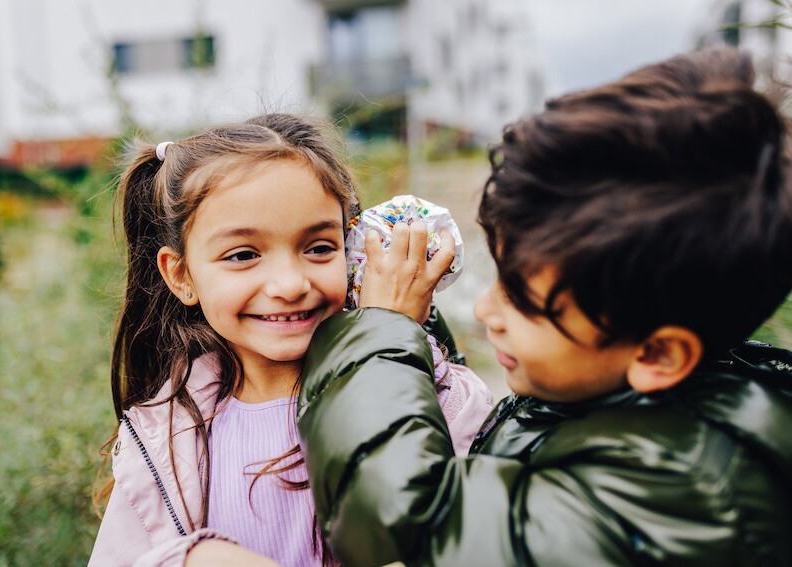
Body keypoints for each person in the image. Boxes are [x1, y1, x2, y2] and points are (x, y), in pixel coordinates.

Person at [296, 47, 792, 566]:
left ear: (659, 355)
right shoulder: (620, 393)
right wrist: (409, 324)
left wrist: (383, 329)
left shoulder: (690, 494)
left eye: (521, 299)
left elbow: (402, 528)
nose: (486, 311)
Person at [88, 113, 492, 567]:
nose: (289, 283)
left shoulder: (440, 400)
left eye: (319, 247)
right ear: (181, 276)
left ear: (354, 249)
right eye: (243, 255)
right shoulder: (167, 432)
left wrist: (385, 340)